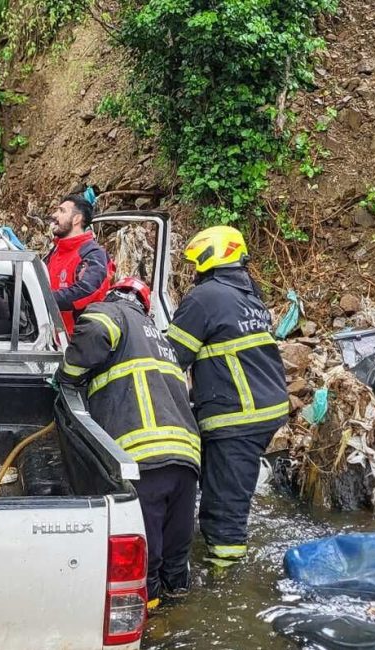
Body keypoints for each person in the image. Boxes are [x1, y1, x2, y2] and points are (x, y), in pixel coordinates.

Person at [58, 277, 201, 607]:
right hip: (185, 458)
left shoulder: (112, 313)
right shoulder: (161, 341)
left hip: (144, 459)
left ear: (114, 295)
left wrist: (67, 376)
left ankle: (150, 623)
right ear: (146, 306)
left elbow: (92, 332)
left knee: (143, 559)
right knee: (177, 557)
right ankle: (180, 609)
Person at [166, 226, 289, 567]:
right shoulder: (247, 294)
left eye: (195, 264)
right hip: (264, 407)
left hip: (238, 416)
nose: (193, 271)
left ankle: (226, 579)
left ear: (208, 257)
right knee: (226, 490)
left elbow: (171, 357)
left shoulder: (205, 298)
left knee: (224, 509)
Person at [45, 193, 114, 333]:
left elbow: (86, 290)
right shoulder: (55, 251)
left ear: (76, 219)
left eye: (61, 211)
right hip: (52, 337)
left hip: (80, 341)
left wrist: (42, 298)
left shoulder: (94, 254)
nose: (54, 215)